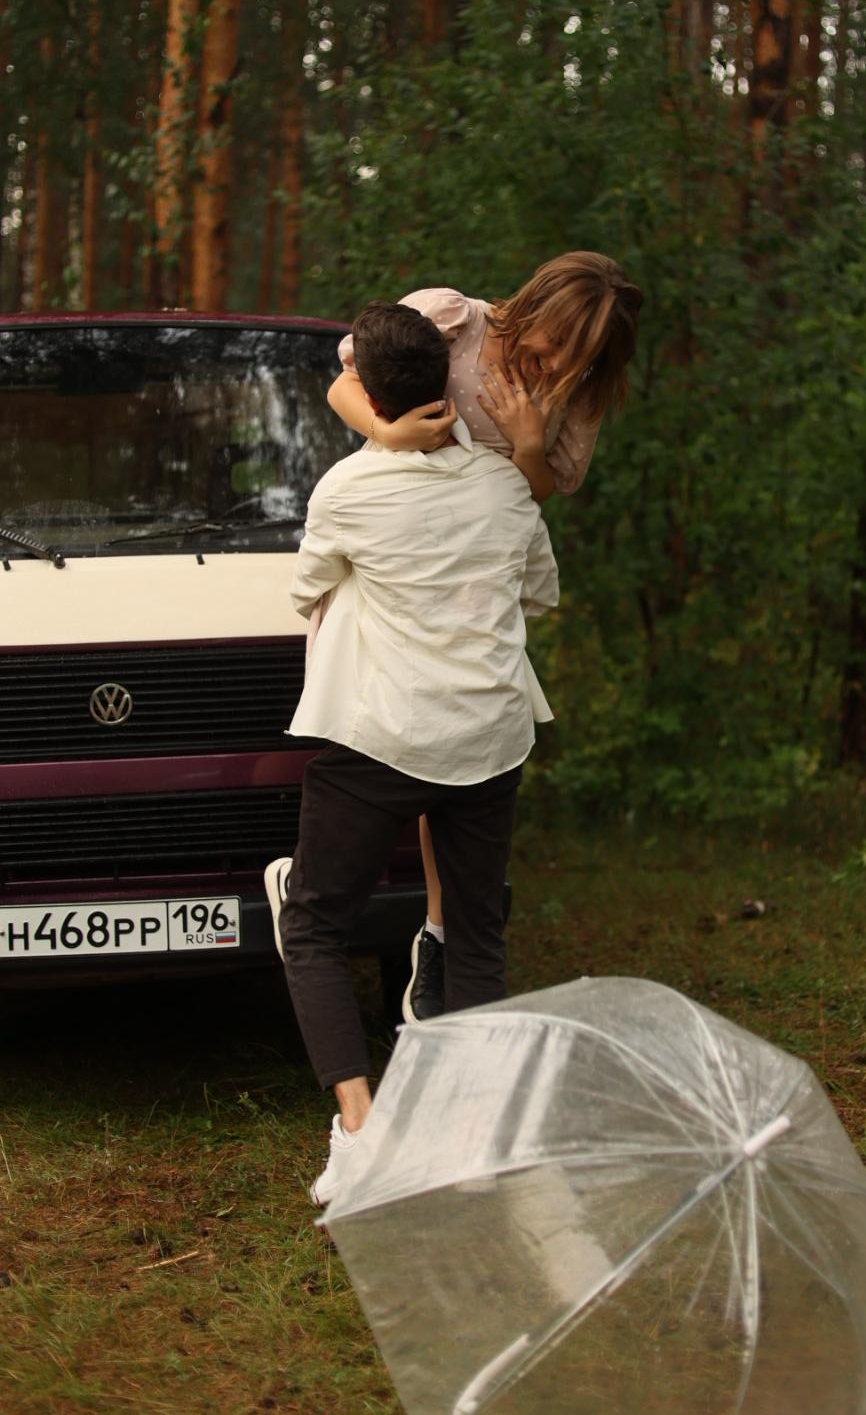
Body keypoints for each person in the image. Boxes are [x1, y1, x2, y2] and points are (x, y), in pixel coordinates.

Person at [266, 299, 559, 1207]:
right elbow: (540, 597)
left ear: (369, 395)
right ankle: (468, 1138)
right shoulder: (509, 486)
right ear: (447, 386)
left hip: (384, 740)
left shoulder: (347, 491)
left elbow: (301, 590)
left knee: (312, 925)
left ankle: (360, 1132)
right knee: (475, 937)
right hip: (488, 739)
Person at [326, 252, 642, 1024]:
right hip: (397, 562)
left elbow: (537, 497)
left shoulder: (577, 393)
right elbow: (342, 382)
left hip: (473, 588)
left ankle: (440, 937)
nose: (563, 361)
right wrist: (388, 433)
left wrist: (530, 442)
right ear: (534, 301)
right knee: (384, 741)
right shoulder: (450, 317)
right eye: (560, 338)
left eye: (585, 354)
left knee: (465, 749)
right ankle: (322, 893)